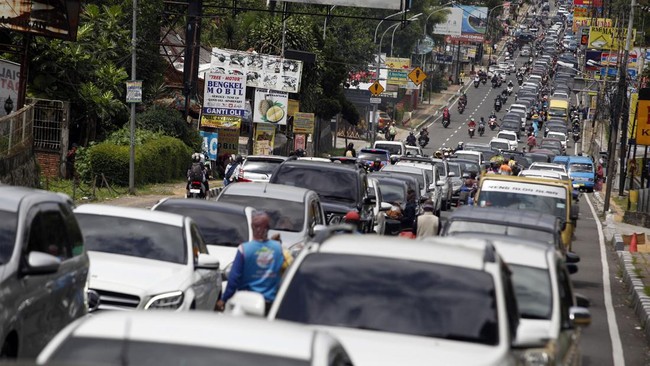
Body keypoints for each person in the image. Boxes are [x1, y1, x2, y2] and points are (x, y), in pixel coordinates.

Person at [216, 211, 288, 314]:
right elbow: (285, 270)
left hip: (246, 302)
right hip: (271, 304)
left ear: (252, 227)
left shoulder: (244, 249)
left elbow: (234, 279)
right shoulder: (278, 249)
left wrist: (224, 299)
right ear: (268, 228)